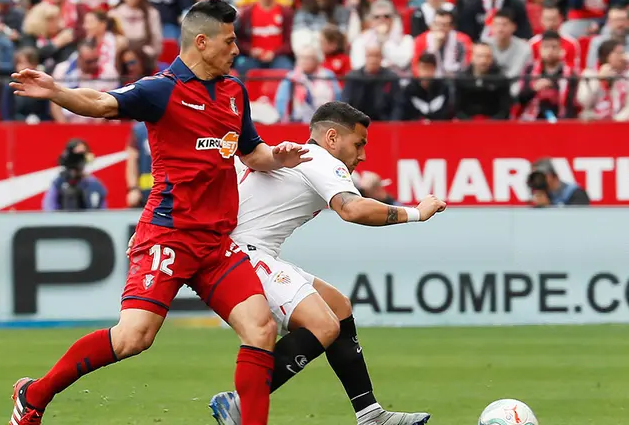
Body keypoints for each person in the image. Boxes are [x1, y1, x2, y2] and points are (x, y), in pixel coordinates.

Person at [7, 0, 311, 425]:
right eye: (229, 41)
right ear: (201, 42)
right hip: (168, 235)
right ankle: (34, 394)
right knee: (133, 338)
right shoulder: (161, 89)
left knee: (261, 328)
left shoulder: (233, 92)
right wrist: (58, 91)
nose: (237, 49)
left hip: (215, 243)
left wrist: (277, 155)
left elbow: (252, 152)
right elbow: (101, 102)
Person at [185, 101, 443, 425]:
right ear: (332, 138)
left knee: (338, 306)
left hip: (244, 251)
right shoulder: (320, 159)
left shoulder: (293, 158)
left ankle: (370, 414)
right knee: (323, 325)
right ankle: (240, 403)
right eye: (358, 144)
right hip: (243, 254)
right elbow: (352, 209)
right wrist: (416, 212)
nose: (362, 155)